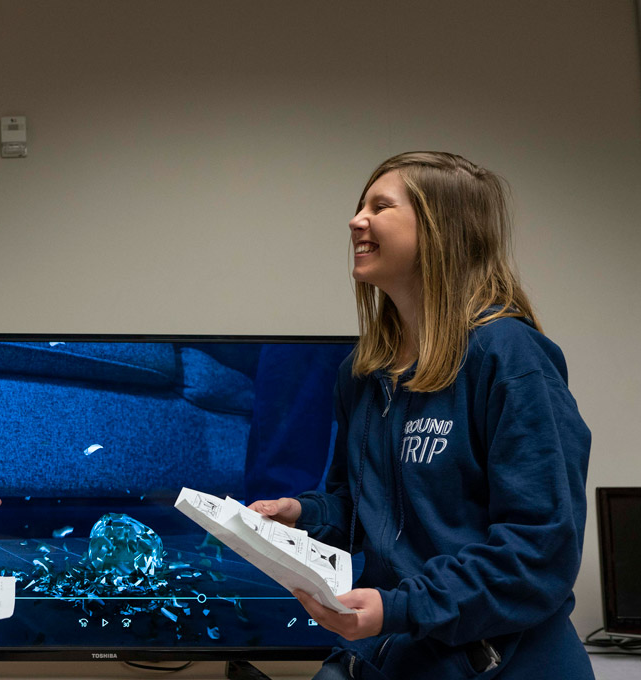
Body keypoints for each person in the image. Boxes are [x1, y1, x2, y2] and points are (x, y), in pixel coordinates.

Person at [250, 152, 592, 679]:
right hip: (391, 652)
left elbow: (539, 552)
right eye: (360, 205)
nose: (355, 220)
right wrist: (302, 514)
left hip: (491, 660)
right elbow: (359, 506)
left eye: (380, 206)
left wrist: (402, 608)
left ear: (440, 230)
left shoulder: (510, 358)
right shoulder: (360, 372)